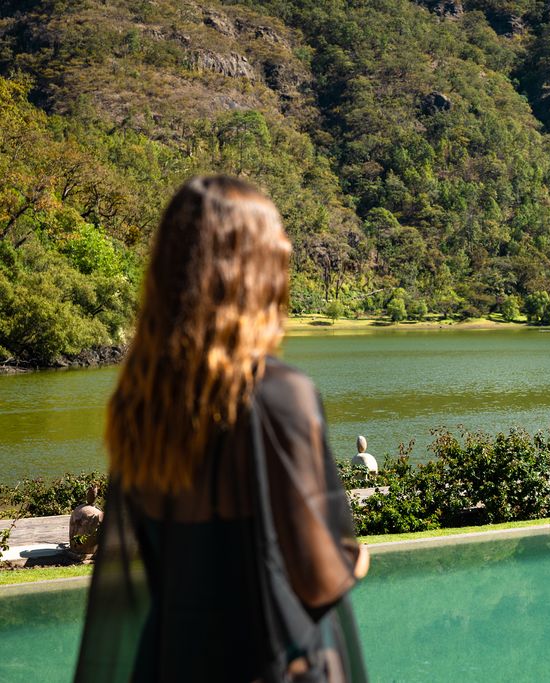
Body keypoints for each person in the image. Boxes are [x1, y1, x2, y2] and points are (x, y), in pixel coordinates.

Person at [75, 176, 368, 683]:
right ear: (254, 274)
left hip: (173, 665)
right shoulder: (280, 395)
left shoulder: (139, 403)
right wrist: (357, 561)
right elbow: (317, 579)